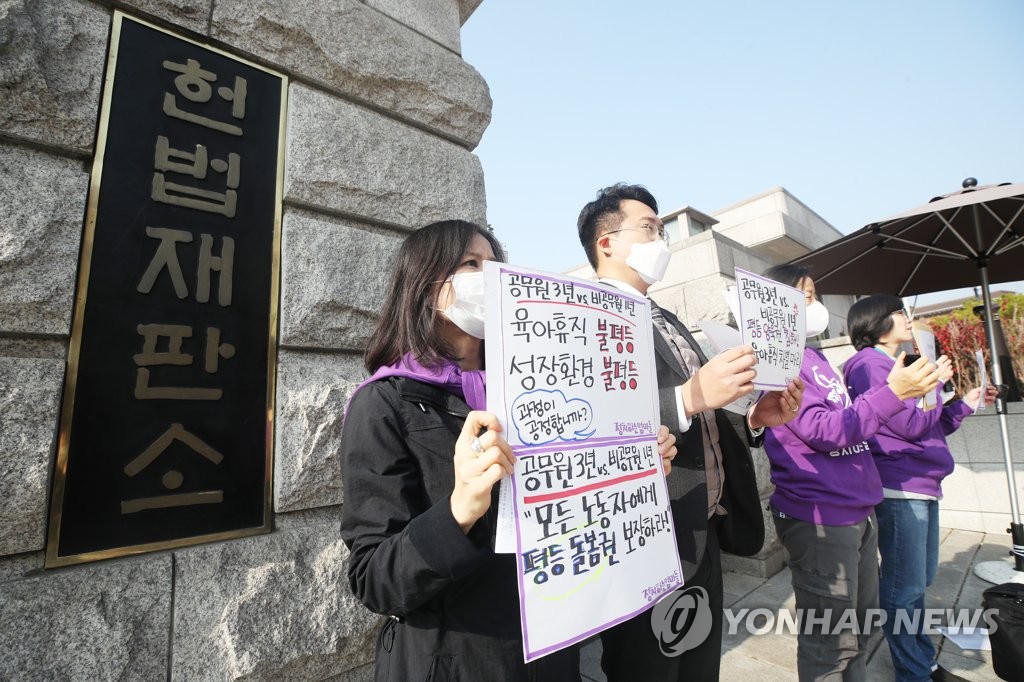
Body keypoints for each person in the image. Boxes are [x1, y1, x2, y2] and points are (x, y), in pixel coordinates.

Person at [339, 219, 678, 681]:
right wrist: (459, 510)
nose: (491, 276)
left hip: (553, 649)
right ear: (424, 285)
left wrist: (630, 470)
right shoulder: (384, 404)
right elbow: (374, 579)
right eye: (471, 264)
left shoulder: (538, 390)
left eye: (497, 265)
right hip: (455, 661)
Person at [576, 184, 805, 681]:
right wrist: (688, 397)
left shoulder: (667, 317)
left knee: (700, 665)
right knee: (649, 669)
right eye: (650, 228)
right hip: (646, 538)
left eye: (663, 229)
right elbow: (587, 425)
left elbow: (707, 411)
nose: (663, 241)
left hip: (703, 530)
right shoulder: (582, 319)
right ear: (606, 242)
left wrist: (754, 417)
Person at [761, 264, 944, 682]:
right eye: (803, 296)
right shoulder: (778, 361)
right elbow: (825, 431)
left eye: (814, 293)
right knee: (830, 643)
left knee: (860, 630)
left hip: (856, 507)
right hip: (820, 514)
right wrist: (893, 394)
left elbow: (852, 424)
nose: (815, 304)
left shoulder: (816, 356)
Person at [843, 294, 996, 682]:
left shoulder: (896, 364)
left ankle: (921, 661)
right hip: (900, 484)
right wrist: (935, 385)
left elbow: (929, 425)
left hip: (921, 484)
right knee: (903, 587)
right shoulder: (868, 364)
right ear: (876, 321)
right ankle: (913, 671)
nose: (907, 319)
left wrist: (964, 402)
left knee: (918, 581)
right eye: (899, 313)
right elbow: (908, 426)